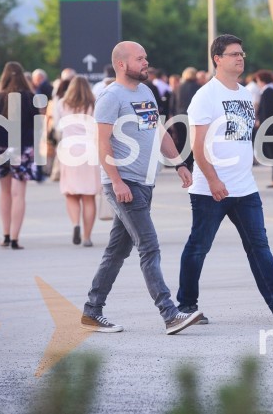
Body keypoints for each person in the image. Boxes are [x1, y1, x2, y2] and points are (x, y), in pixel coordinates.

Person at [177, 34, 273, 324]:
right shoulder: (205, 96)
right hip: (210, 189)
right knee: (199, 246)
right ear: (217, 59)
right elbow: (198, 146)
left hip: (244, 187)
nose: (240, 58)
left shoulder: (243, 93)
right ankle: (186, 306)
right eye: (233, 54)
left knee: (259, 246)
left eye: (242, 54)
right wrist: (213, 180)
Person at [80, 41, 203, 335]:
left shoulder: (146, 92)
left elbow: (159, 132)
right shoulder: (111, 97)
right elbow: (102, 142)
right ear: (122, 64)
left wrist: (180, 163)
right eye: (140, 58)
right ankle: (170, 313)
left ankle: (92, 311)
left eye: (146, 57)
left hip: (145, 182)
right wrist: (118, 181)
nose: (146, 62)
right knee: (149, 247)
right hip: (124, 184)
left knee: (116, 251)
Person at [0, 62, 40, 249]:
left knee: (4, 192)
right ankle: (16, 238)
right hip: (22, 147)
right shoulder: (31, 98)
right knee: (19, 194)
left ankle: (6, 235)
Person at [58, 76, 99, 247]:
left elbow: (56, 127)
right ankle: (87, 237)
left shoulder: (62, 104)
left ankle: (75, 224)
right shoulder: (94, 104)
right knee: (89, 196)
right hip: (90, 151)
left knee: (71, 193)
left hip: (69, 150)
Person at [171, 67, 201, 171]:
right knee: (193, 141)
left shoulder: (178, 88)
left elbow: (172, 105)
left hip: (179, 117)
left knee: (182, 141)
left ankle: (185, 162)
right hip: (194, 118)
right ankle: (193, 162)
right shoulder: (199, 88)